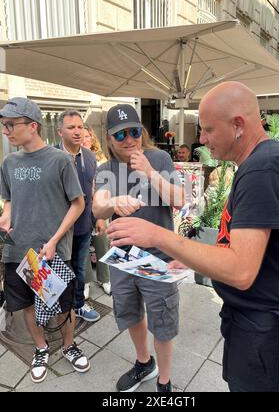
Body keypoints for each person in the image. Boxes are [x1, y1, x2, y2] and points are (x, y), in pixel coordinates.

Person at [106, 82, 279, 392]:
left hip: (266, 332)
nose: (201, 139)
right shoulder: (260, 163)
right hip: (259, 326)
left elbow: (240, 270)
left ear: (238, 125)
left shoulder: (265, 169)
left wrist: (158, 236)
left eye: (207, 130)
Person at [92, 104, 185, 392]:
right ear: (109, 139)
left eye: (134, 132)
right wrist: (112, 203)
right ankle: (144, 362)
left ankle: (165, 380)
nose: (129, 139)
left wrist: (150, 172)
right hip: (122, 256)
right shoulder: (106, 168)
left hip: (158, 255)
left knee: (163, 320)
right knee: (130, 312)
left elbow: (180, 199)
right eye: (121, 135)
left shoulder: (158, 157)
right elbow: (97, 207)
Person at [0, 97, 91, 383]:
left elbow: (78, 204)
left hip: (50, 252)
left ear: (33, 126)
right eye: (4, 125)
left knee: (63, 305)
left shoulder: (60, 160)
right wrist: (6, 215)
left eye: (11, 125)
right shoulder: (9, 162)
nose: (6, 130)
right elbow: (9, 198)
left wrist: (54, 240)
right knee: (26, 304)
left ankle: (68, 345)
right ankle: (40, 347)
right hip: (18, 251)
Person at [56, 111, 100, 322]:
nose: (77, 131)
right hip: (58, 228)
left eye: (80, 127)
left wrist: (98, 217)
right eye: (71, 127)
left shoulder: (90, 156)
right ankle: (59, 309)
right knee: (59, 269)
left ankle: (79, 305)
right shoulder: (51, 156)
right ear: (59, 132)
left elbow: (93, 190)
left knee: (79, 268)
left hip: (83, 225)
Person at [82, 125, 111, 296]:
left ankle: (105, 278)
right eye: (82, 136)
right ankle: (86, 281)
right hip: (80, 209)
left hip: (99, 207)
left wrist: (101, 216)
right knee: (83, 244)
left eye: (88, 136)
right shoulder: (72, 159)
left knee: (102, 243)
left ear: (92, 139)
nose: (84, 139)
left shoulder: (101, 161)